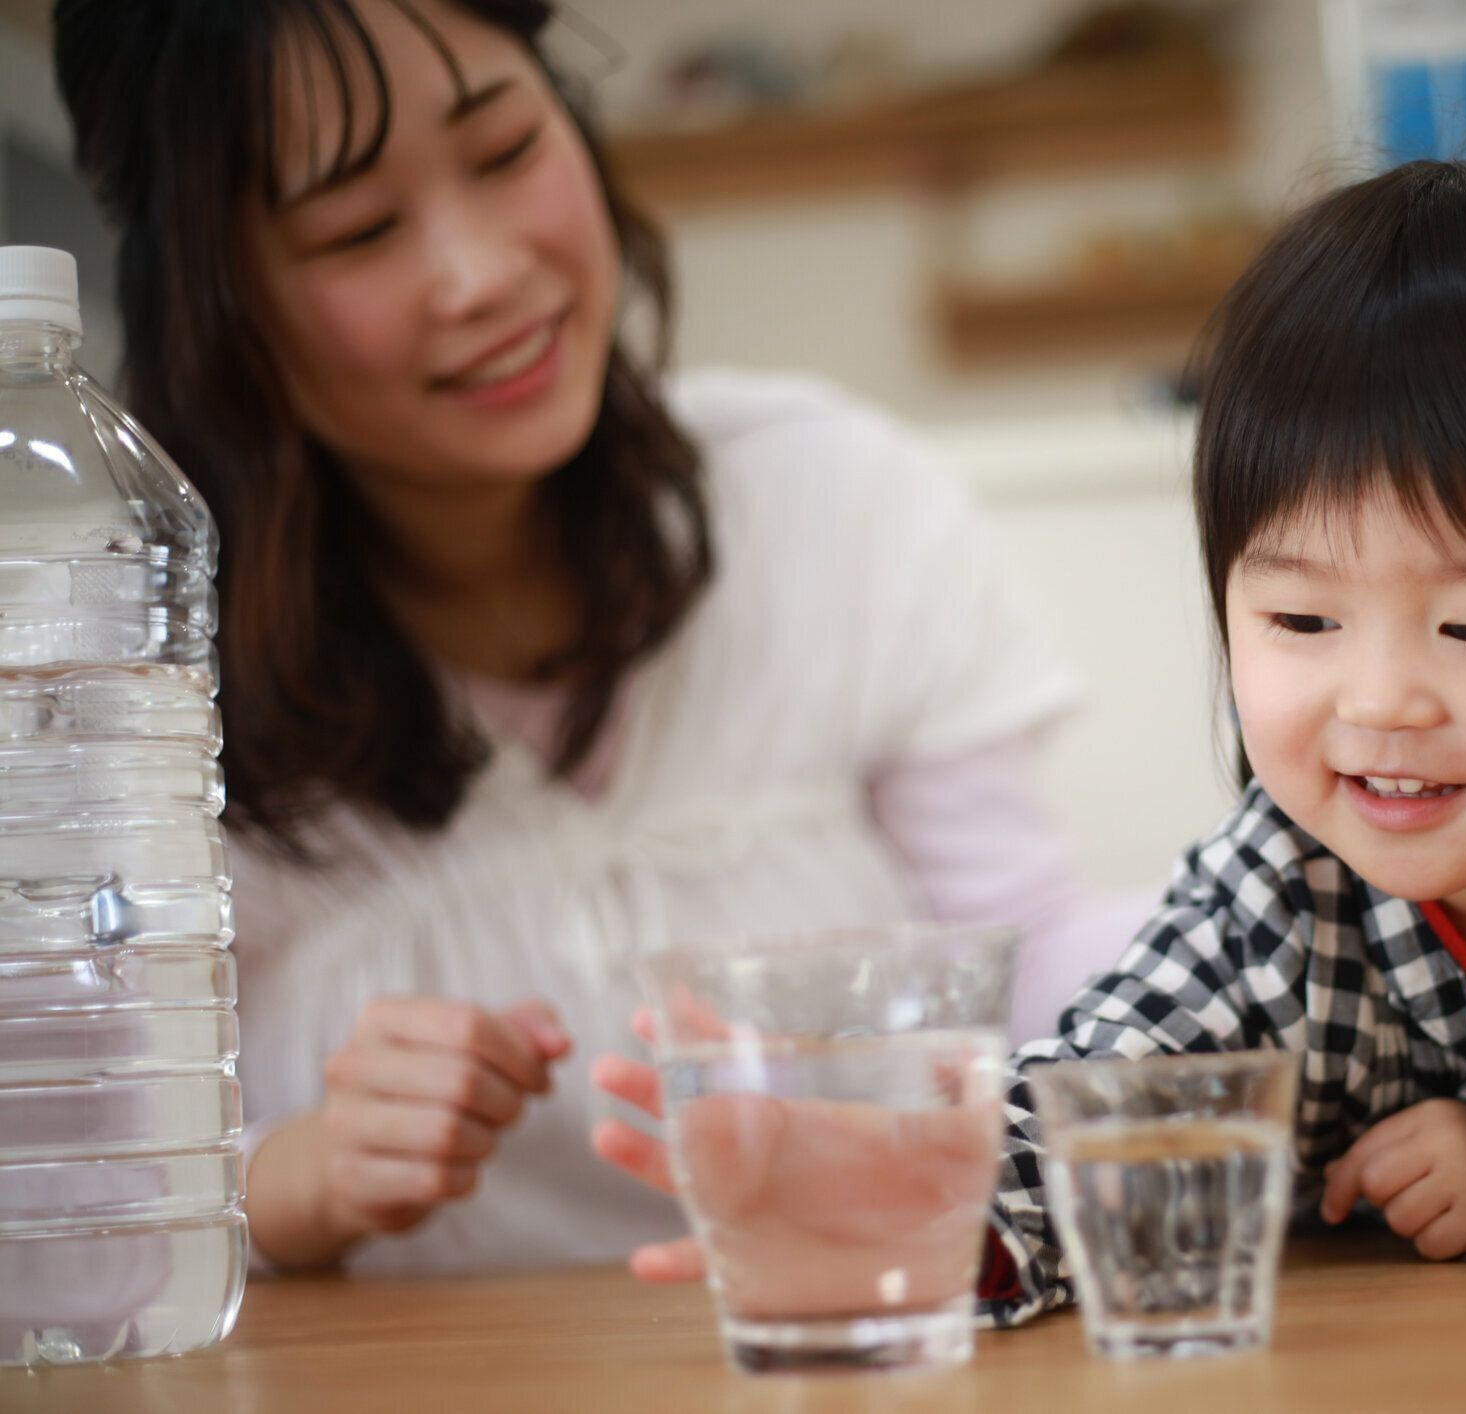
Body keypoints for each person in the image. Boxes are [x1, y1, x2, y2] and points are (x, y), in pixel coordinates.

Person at [600, 158, 1466, 1313]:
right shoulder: (1276, 884)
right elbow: (1102, 1103)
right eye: (1303, 621)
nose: (1378, 701)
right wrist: (933, 1196)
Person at [52, 0, 1142, 1275]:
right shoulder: (126, 680)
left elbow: (1013, 945)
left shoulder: (819, 494)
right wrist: (280, 1179)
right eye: (359, 228)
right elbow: (69, 1212)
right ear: (215, 306)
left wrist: (1253, 966)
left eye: (507, 151)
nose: (483, 273)